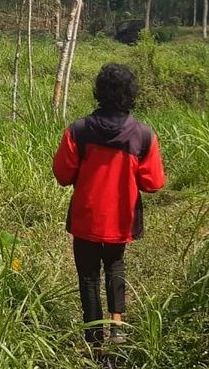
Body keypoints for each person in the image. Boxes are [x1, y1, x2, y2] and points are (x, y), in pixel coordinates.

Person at [52, 62, 166, 348]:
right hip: (120, 219)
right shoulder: (143, 136)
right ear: (131, 94)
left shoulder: (78, 131)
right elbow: (154, 183)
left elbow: (62, 176)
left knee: (88, 277)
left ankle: (93, 340)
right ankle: (118, 328)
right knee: (115, 265)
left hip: (86, 218)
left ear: (98, 92)